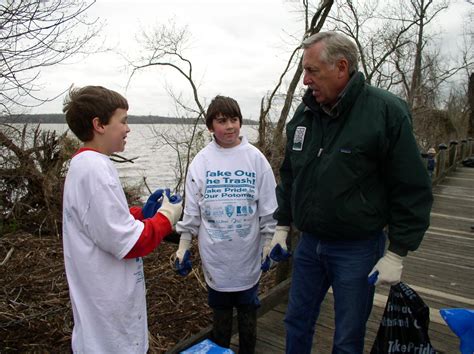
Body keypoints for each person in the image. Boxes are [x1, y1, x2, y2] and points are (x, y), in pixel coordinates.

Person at [269, 32, 433, 354]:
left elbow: (412, 187)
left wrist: (397, 251)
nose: (305, 81)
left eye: (312, 71)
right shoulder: (303, 116)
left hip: (357, 250)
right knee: (296, 321)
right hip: (309, 244)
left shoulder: (385, 112)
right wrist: (282, 225)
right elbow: (291, 174)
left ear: (341, 67)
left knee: (347, 336)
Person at [62, 85, 183, 353]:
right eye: (123, 121)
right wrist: (166, 217)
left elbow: (100, 221)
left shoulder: (86, 164)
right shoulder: (95, 169)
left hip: (101, 307)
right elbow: (131, 243)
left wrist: (142, 214)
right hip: (107, 322)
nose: (128, 128)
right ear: (99, 124)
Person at [174, 95, 278, 353]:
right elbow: (192, 211)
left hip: (247, 257)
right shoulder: (202, 161)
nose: (230, 126)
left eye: (234, 119)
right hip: (216, 259)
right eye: (222, 121)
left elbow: (268, 209)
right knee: (220, 321)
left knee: (248, 316)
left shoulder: (255, 159)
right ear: (211, 126)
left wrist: (268, 244)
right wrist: (183, 246)